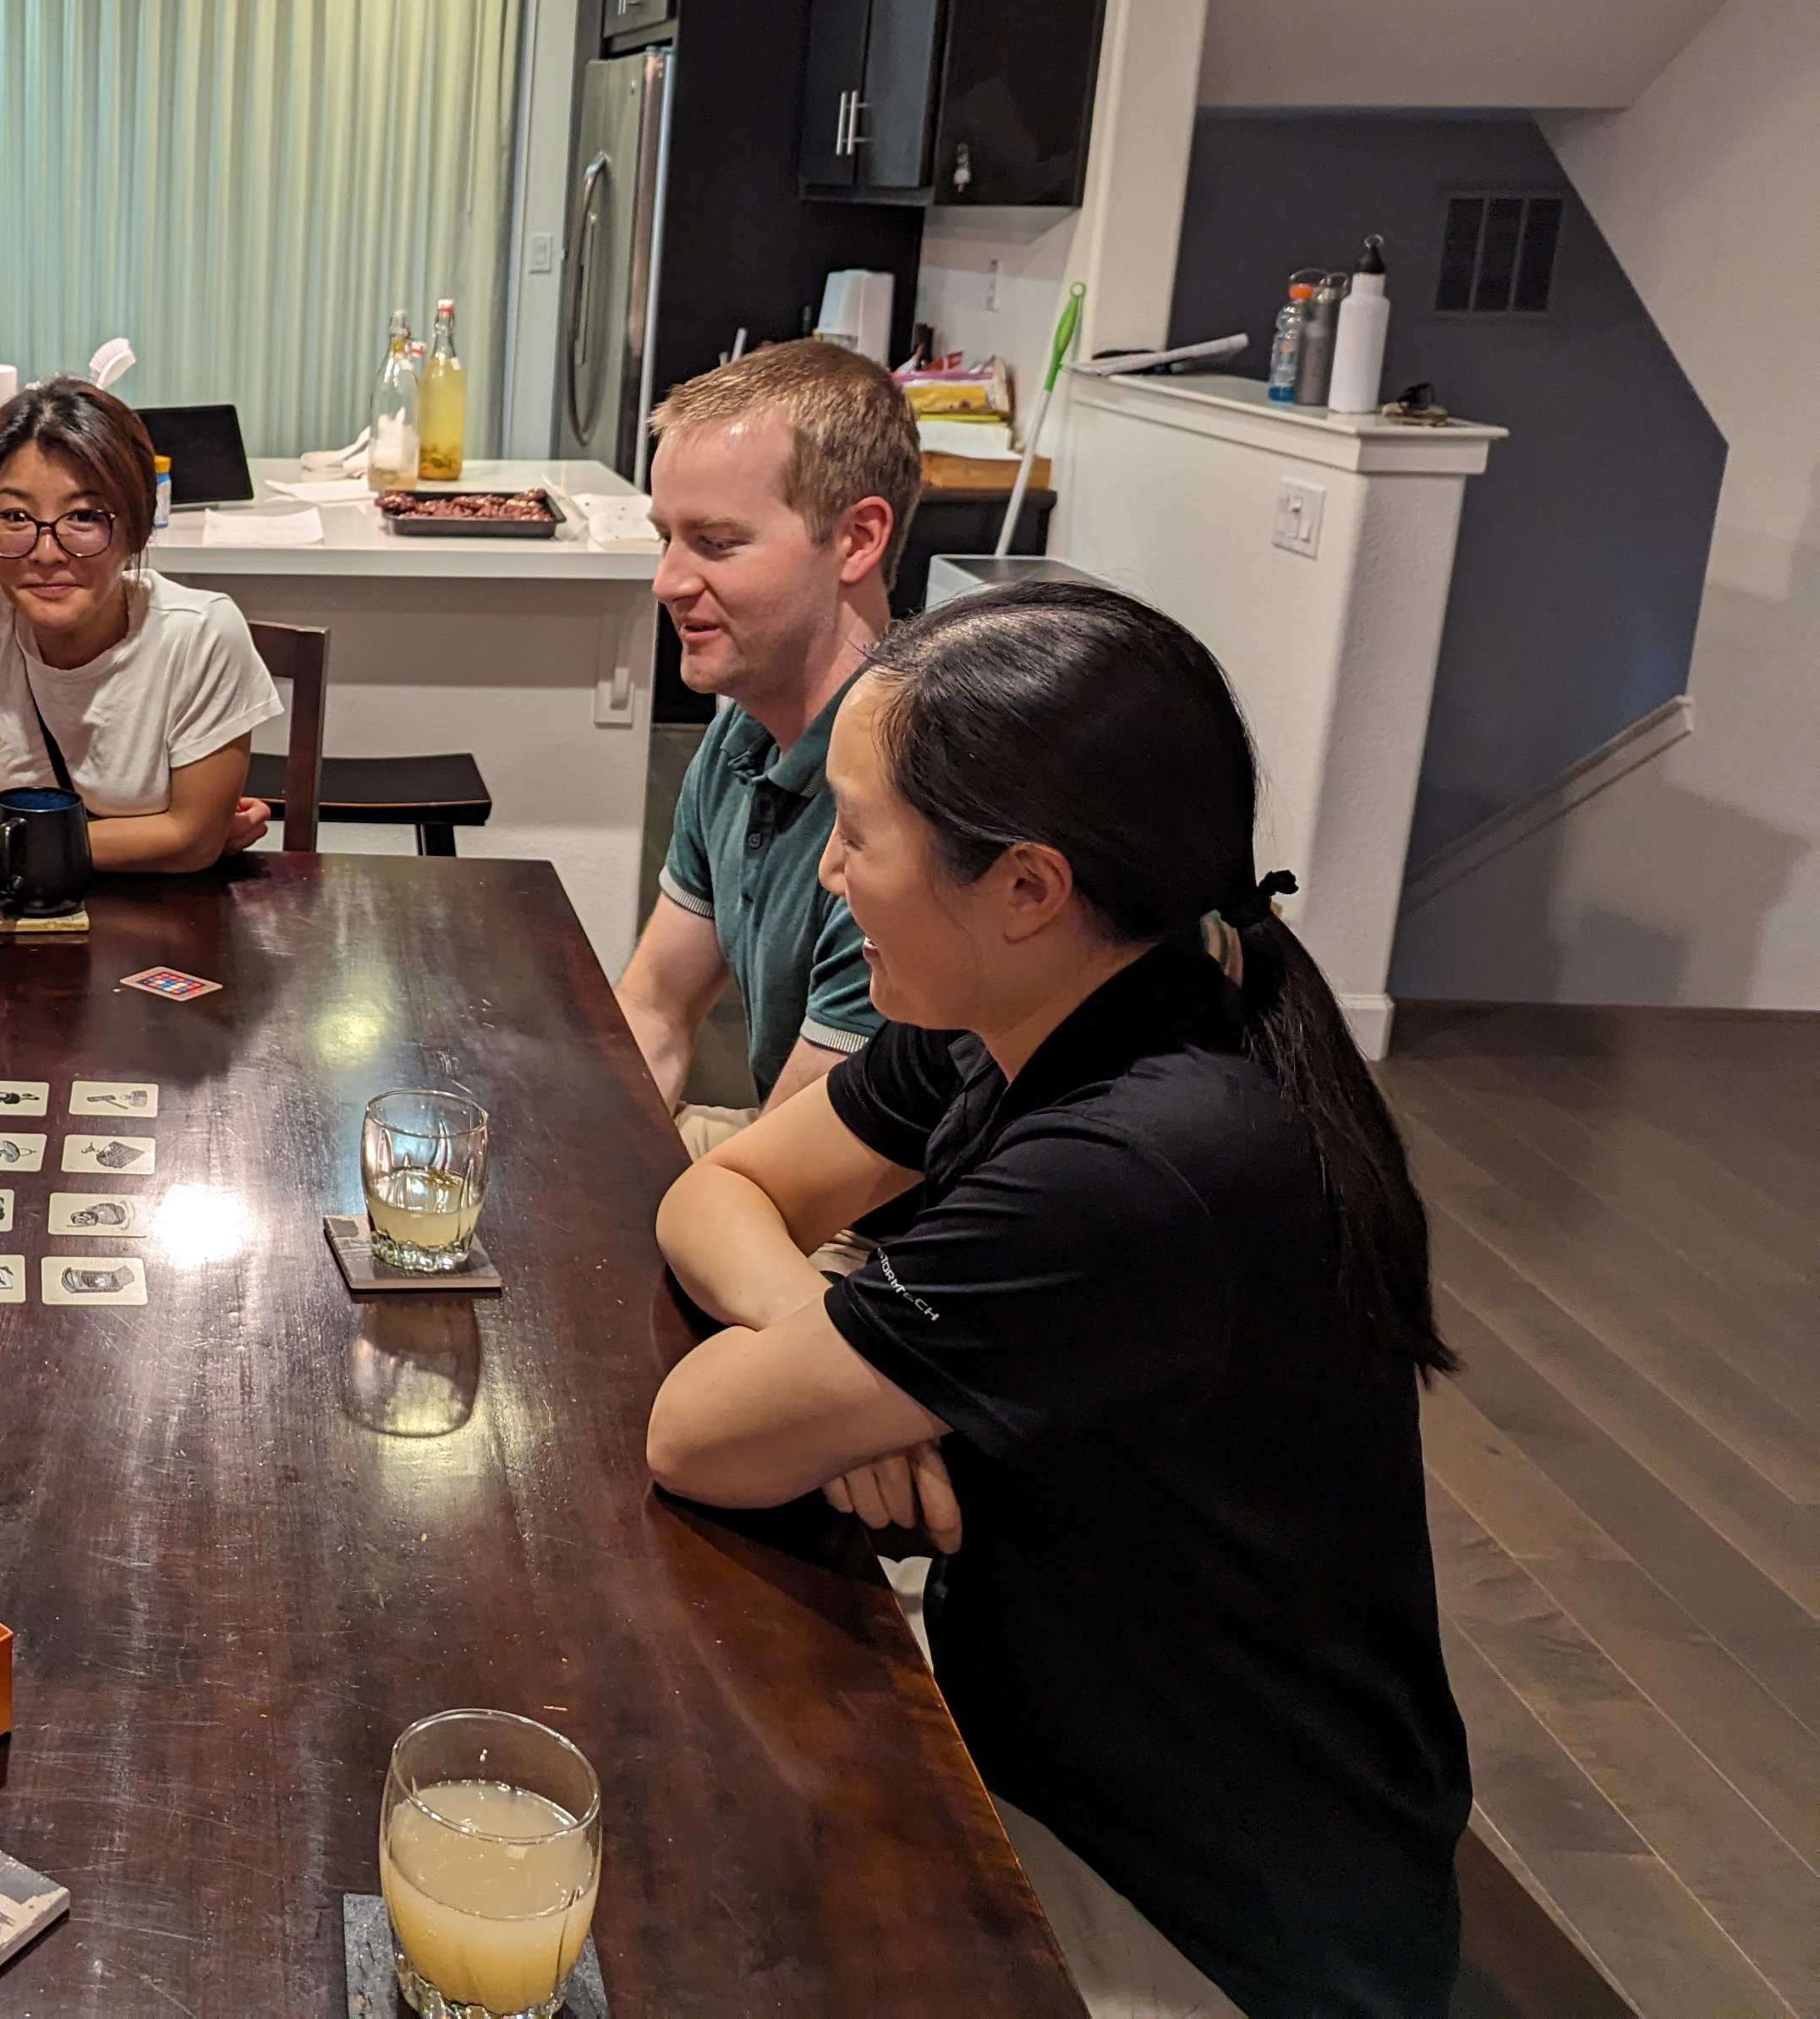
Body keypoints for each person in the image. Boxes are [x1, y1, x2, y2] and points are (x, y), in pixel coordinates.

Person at [643, 584, 1471, 2018]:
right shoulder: (1029, 1008)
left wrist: (839, 1377)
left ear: (1029, 886)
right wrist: (837, 1353)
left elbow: (695, 1434)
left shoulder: (1135, 1165)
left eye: (861, 834)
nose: (830, 875)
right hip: (1064, 1754)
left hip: (1209, 1914)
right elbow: (720, 1190)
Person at [613, 338, 920, 1155]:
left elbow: (791, 1172)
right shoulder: (740, 736)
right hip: (783, 1154)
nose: (668, 581)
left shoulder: (911, 796)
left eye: (716, 542)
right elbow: (654, 1009)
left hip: (885, 1212)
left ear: (858, 538)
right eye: (666, 538)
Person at [0, 381, 283, 874]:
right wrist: (155, 836)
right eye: (15, 516)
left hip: (161, 915)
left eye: (83, 516)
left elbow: (193, 844)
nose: (46, 553)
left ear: (137, 527)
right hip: (3, 908)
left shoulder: (203, 635)